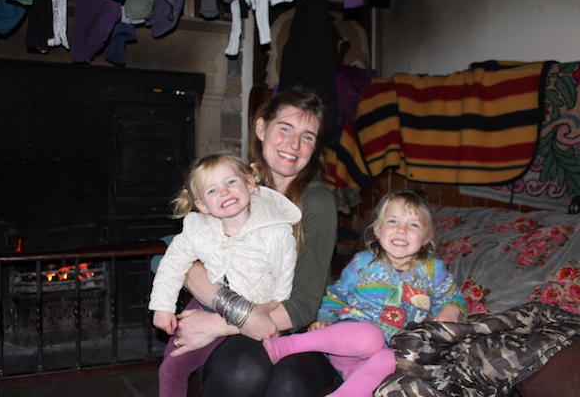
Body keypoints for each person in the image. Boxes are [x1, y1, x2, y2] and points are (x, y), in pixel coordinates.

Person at [170, 87, 341, 397]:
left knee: (287, 383)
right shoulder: (232, 187)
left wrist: (220, 324)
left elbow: (304, 304)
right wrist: (234, 312)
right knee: (242, 370)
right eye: (285, 129)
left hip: (300, 327)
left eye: (307, 137)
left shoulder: (317, 201)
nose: (294, 144)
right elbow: (177, 253)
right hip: (237, 318)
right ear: (261, 128)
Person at [262, 189, 469, 397]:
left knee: (390, 358)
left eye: (413, 225)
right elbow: (336, 294)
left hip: (378, 360)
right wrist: (325, 318)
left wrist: (451, 309)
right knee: (371, 337)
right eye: (393, 222)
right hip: (347, 344)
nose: (402, 230)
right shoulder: (362, 263)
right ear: (378, 230)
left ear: (427, 236)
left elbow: (454, 298)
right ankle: (287, 345)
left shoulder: (433, 270)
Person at [149, 152, 303, 397]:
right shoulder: (198, 229)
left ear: (249, 183)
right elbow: (172, 263)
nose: (224, 192)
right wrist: (163, 305)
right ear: (201, 206)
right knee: (171, 368)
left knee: (253, 374)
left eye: (230, 182)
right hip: (205, 307)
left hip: (257, 310)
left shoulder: (276, 231)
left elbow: (284, 273)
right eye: (212, 190)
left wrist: (273, 312)